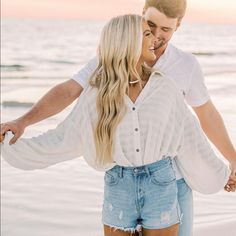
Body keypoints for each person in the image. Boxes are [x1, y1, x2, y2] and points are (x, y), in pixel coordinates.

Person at [1, 0, 236, 235]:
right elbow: (70, 92)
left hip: (174, 179)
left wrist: (230, 163)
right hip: (120, 179)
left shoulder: (185, 66)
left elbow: (204, 117)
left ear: (178, 26)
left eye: (165, 29)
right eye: (150, 26)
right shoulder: (107, 65)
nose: (156, 35)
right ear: (141, 17)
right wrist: (23, 122)